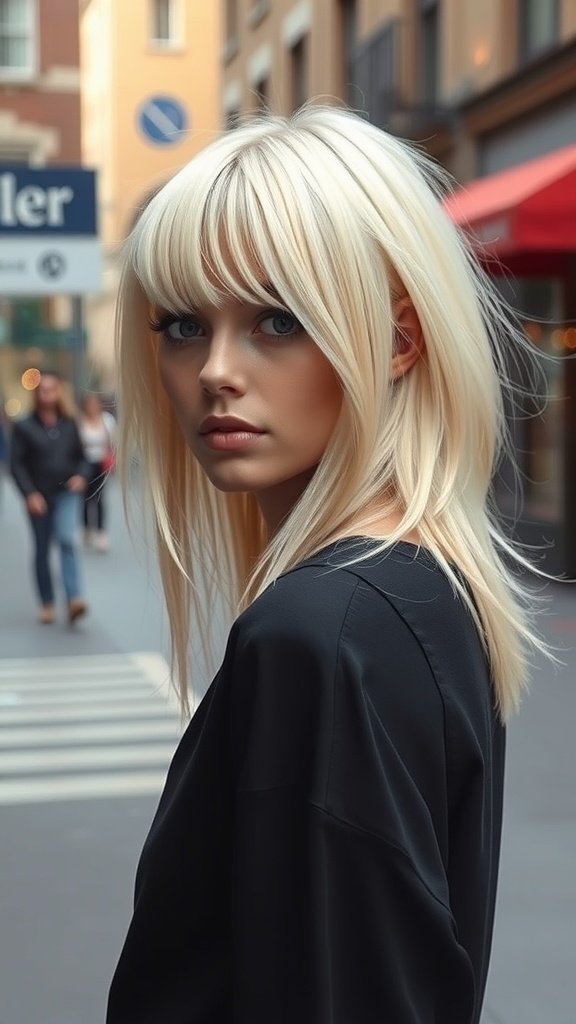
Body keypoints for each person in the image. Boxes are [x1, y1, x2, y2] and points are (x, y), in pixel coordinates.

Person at [106, 106, 551, 1024]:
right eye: (183, 325)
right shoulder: (422, 590)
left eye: (277, 318)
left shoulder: (321, 634)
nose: (217, 370)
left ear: (399, 339)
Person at [10, 370, 89, 624]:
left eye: (53, 389)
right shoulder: (24, 426)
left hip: (65, 492)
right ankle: (46, 603)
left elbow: (84, 456)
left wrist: (81, 475)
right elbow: (16, 464)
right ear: (37, 394)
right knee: (42, 548)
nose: (48, 394)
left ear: (59, 392)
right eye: (43, 390)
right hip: (38, 497)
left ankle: (74, 599)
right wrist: (29, 494)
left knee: (67, 541)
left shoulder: (69, 423)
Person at [78, 391, 116, 551]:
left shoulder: (107, 420)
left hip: (101, 462)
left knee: (100, 497)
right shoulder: (79, 421)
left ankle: (101, 532)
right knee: (85, 498)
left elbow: (114, 442)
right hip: (84, 463)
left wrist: (114, 459)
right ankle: (87, 528)